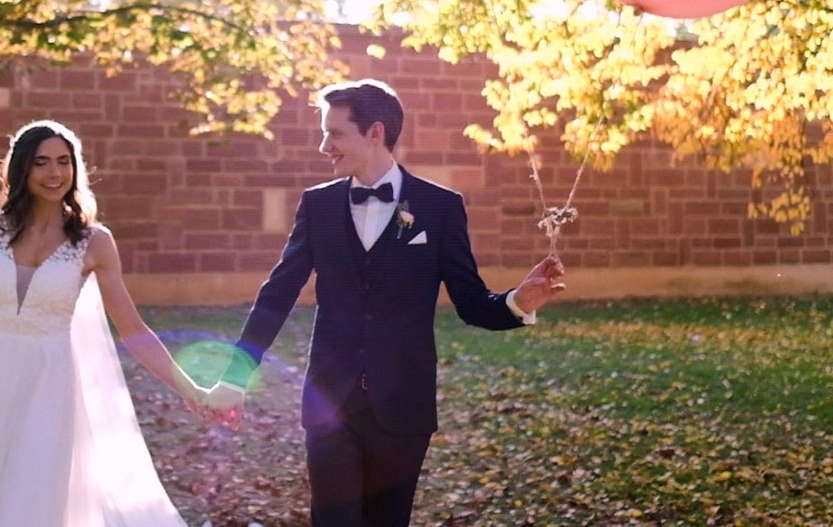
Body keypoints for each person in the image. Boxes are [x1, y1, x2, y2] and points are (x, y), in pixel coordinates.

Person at [209, 78, 567, 527]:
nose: (324, 146)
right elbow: (277, 295)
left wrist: (518, 300)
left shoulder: (440, 207)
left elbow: (471, 303)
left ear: (375, 132)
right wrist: (236, 376)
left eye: (334, 133)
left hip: (403, 406)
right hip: (329, 403)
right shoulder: (316, 205)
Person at [0, 119, 207, 527]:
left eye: (64, 162)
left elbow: (133, 330)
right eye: (42, 163)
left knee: (34, 495)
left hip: (50, 383)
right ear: (22, 170)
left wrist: (189, 387)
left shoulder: (93, 241)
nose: (55, 174)